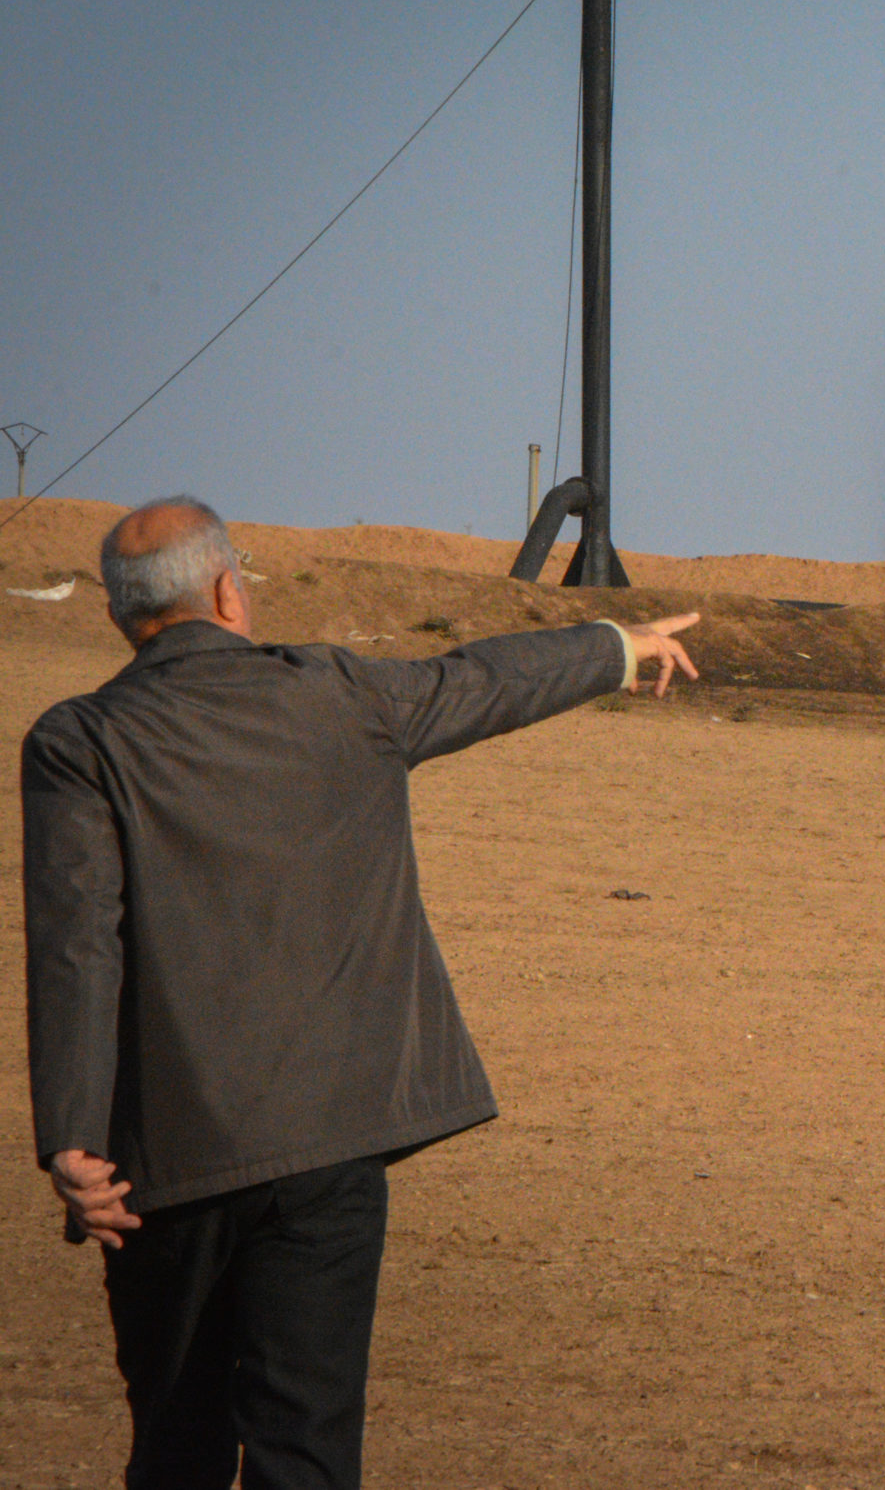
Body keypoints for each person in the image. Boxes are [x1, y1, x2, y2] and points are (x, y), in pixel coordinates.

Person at [21, 496, 700, 1489]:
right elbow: (479, 681)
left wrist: (72, 1136)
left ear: (120, 615)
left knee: (175, 1443)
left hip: (163, 1163)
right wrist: (616, 646)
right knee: (308, 1445)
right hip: (328, 1149)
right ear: (228, 591)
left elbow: (77, 944)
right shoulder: (338, 693)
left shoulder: (79, 739)